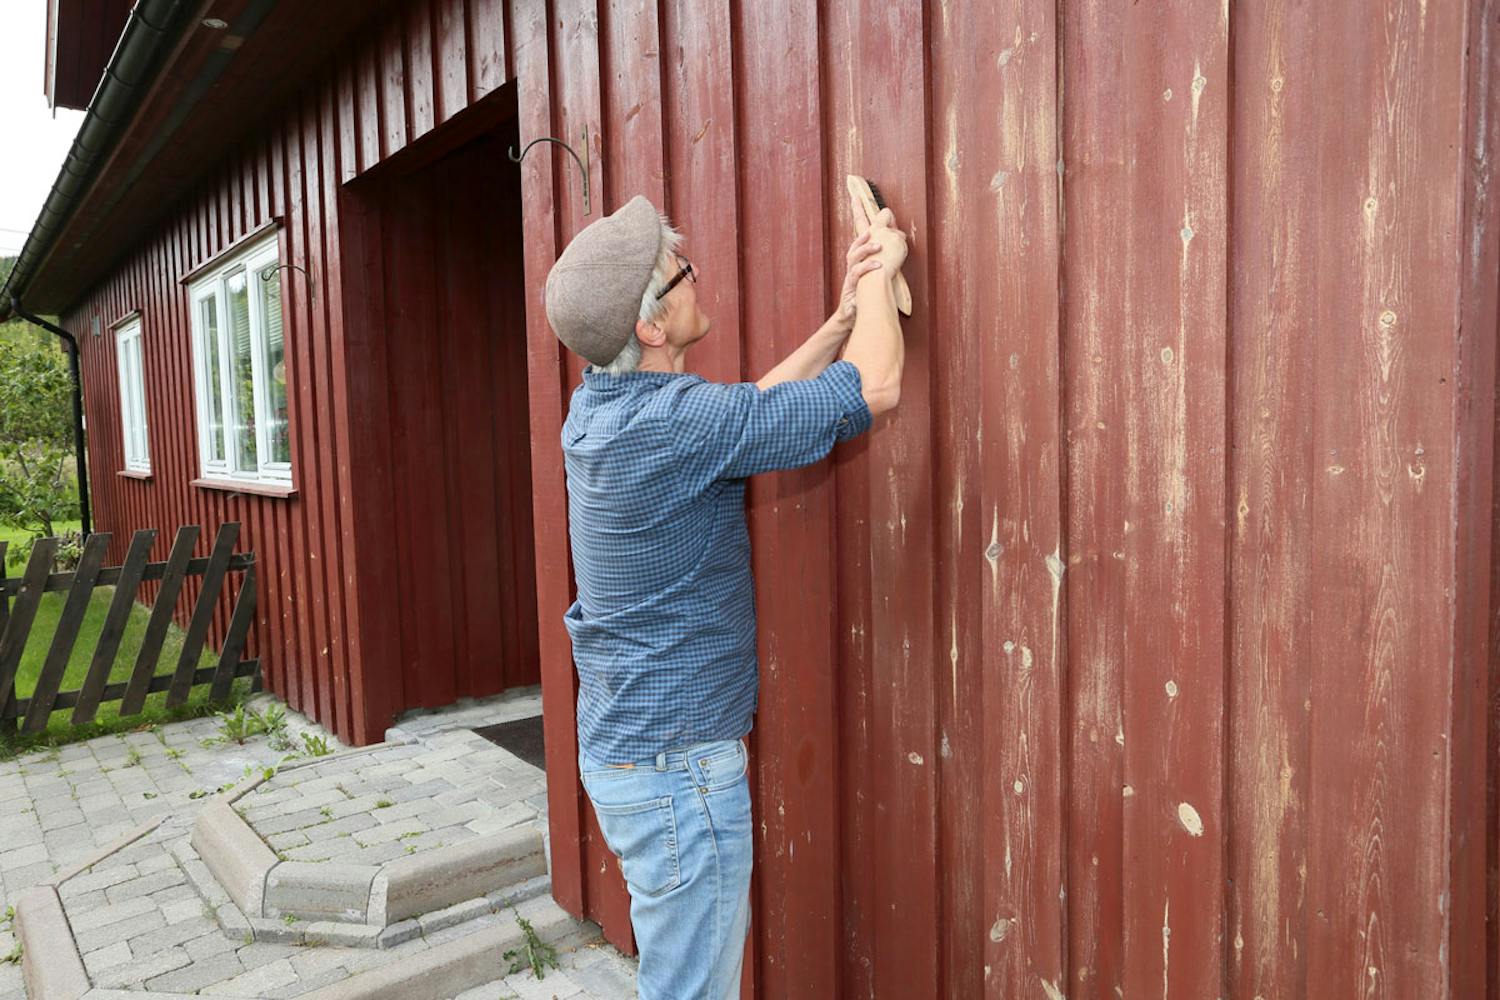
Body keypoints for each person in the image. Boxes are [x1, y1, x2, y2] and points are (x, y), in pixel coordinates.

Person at [543, 190, 908, 999]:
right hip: (680, 775)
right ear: (650, 327)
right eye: (683, 275)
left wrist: (844, 317)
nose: (695, 279)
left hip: (631, 753)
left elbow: (749, 417)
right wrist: (883, 273)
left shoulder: (598, 413)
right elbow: (876, 390)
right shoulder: (676, 423)